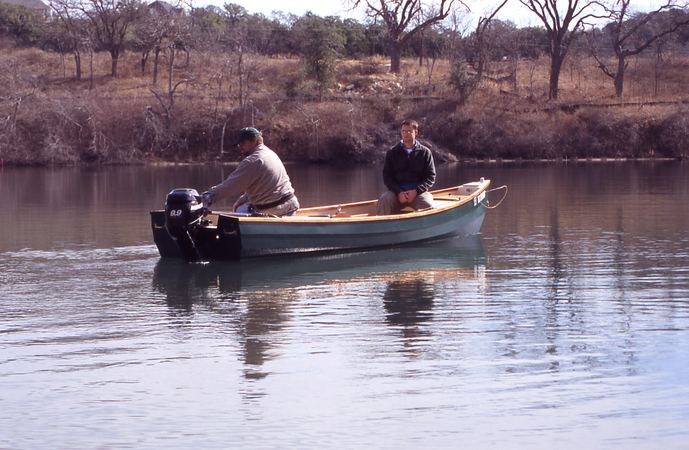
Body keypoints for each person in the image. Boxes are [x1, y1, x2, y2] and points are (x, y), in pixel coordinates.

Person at [202, 127, 299, 217]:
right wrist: (242, 200)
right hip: (290, 205)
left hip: (276, 210)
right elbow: (263, 186)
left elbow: (231, 185)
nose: (240, 146)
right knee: (241, 207)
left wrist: (209, 196)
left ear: (254, 141)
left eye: (243, 143)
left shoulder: (253, 161)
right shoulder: (270, 153)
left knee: (240, 211)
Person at [377, 119, 436, 215]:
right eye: (403, 131)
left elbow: (430, 177)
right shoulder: (392, 153)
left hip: (418, 193)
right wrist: (399, 192)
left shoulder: (425, 152)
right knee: (384, 200)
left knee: (427, 205)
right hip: (396, 193)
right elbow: (387, 177)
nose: (406, 134)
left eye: (409, 131)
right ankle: (382, 228)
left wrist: (416, 191)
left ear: (416, 132)